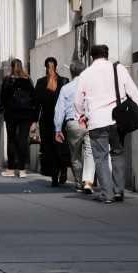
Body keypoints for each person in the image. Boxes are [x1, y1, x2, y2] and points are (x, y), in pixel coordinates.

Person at [74, 44, 138, 204]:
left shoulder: (86, 74)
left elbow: (78, 100)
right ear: (107, 55)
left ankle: (106, 194)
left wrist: (81, 115)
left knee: (100, 158)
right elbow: (132, 90)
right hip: (117, 120)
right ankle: (118, 191)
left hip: (96, 121)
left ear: (92, 56)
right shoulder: (118, 69)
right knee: (117, 153)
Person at [53, 61, 94, 194]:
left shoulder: (66, 88)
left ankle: (78, 182)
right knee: (89, 153)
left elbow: (59, 110)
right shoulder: (89, 87)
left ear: (71, 72)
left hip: (73, 123)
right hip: (89, 122)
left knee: (75, 154)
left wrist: (58, 129)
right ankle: (88, 181)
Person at [34, 57, 69, 186]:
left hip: (53, 120)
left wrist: (34, 121)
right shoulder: (59, 81)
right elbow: (37, 104)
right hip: (54, 120)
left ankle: (58, 173)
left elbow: (37, 104)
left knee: (54, 148)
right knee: (55, 148)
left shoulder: (45, 82)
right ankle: (59, 172)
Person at [0, 58, 37, 177]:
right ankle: (22, 170)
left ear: (12, 67)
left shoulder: (8, 80)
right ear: (22, 67)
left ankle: (11, 169)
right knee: (23, 140)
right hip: (26, 114)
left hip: (11, 114)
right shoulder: (28, 80)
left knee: (11, 140)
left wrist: (4, 108)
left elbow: (3, 98)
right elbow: (34, 98)